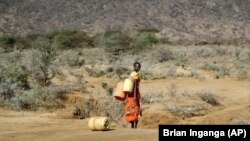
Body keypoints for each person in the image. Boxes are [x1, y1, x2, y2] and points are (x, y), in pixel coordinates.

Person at [124, 62, 142, 128]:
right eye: (137, 66)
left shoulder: (132, 73)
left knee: (131, 108)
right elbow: (134, 85)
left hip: (131, 94)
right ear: (134, 67)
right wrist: (135, 96)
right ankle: (134, 125)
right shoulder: (135, 74)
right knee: (135, 108)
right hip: (134, 93)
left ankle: (132, 125)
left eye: (139, 66)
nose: (139, 68)